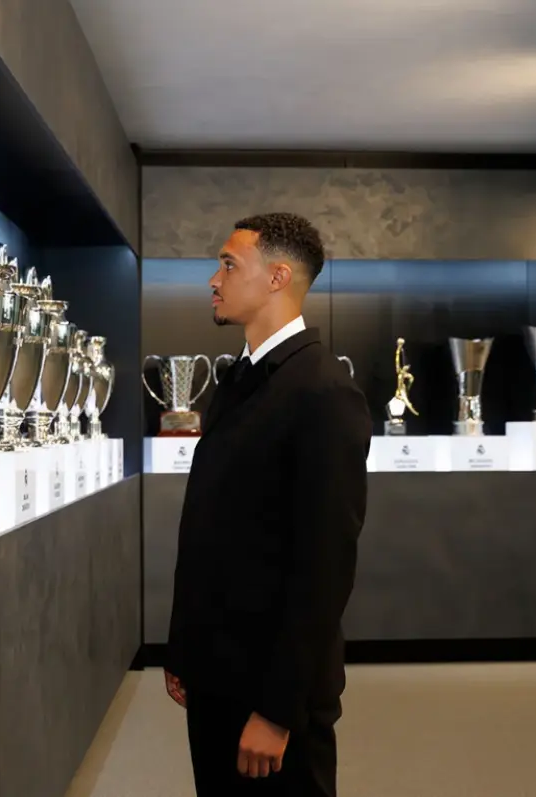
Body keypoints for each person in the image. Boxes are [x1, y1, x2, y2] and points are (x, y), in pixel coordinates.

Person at [165, 212, 371, 796]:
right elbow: (213, 529)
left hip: (270, 694)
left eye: (229, 264)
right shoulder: (239, 380)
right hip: (217, 676)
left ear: (278, 277)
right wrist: (186, 648)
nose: (214, 278)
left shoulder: (325, 392)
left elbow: (324, 569)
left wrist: (278, 711)